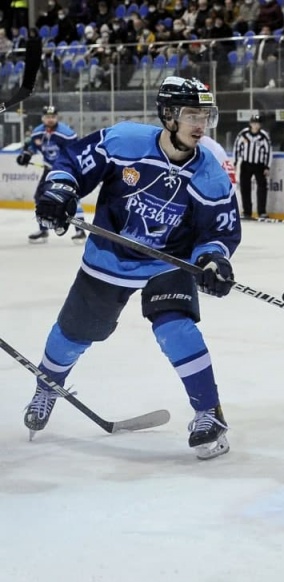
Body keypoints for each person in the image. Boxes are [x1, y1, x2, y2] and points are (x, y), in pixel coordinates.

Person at [24, 76, 239, 460]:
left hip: (167, 262)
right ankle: (47, 387)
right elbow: (71, 163)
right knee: (74, 333)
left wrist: (213, 258)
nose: (200, 124)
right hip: (109, 256)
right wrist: (60, 189)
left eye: (205, 115)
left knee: (176, 327)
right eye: (192, 114)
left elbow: (219, 230)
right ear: (169, 115)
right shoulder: (124, 141)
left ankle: (210, 413)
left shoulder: (210, 173)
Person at [17, 105, 84, 244]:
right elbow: (31, 147)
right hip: (49, 170)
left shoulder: (66, 134)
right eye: (47, 117)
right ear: (43, 118)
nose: (50, 119)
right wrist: (26, 155)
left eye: (53, 117)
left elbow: (76, 151)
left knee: (71, 197)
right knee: (40, 197)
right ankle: (43, 229)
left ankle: (80, 231)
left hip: (67, 170)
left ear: (57, 117)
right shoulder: (37, 132)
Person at [233, 113, 273, 219]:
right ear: (250, 123)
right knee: (245, 187)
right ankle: (247, 211)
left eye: (257, 123)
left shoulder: (264, 136)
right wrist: (236, 162)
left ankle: (262, 212)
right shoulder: (244, 134)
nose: (255, 125)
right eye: (254, 123)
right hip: (246, 164)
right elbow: (237, 147)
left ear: (260, 125)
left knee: (262, 188)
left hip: (259, 165)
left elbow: (268, 152)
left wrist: (267, 166)